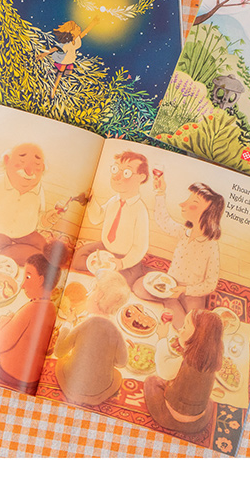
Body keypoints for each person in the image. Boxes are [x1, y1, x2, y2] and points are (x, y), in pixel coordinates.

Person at [137, 175, 224, 329]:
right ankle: (170, 302)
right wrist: (160, 193)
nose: (182, 204)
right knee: (138, 287)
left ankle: (171, 305)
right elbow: (164, 221)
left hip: (192, 294)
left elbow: (210, 284)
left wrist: (185, 290)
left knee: (189, 325)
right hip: (170, 284)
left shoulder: (211, 246)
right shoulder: (183, 232)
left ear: (208, 213)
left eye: (193, 203)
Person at [0, 142, 58, 264]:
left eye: (37, 165)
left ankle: (7, 251)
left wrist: (46, 219)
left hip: (23, 235)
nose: (29, 171)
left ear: (42, 168)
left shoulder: (39, 191)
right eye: (22, 162)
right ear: (7, 160)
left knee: (43, 247)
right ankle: (6, 249)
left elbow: (39, 218)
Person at [72, 150, 150, 285]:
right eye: (115, 169)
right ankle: (105, 272)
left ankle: (108, 274)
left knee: (124, 280)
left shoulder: (140, 210)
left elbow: (140, 247)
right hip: (105, 249)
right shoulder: (113, 201)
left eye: (126, 173)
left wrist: (123, 263)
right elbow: (96, 218)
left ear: (141, 177)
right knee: (78, 258)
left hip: (125, 257)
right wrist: (91, 200)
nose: (117, 177)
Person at [53, 270, 129, 406]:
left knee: (62, 360)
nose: (88, 295)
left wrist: (68, 323)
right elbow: (121, 363)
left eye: (93, 290)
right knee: (117, 375)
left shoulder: (85, 325)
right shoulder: (116, 332)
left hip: (71, 386)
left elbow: (59, 351)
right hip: (100, 390)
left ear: (98, 297)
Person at [0, 251, 61, 393]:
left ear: (40, 280)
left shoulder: (31, 309)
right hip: (32, 376)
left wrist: (1, 322)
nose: (22, 285)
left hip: (13, 375)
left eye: (28, 277)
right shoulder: (51, 308)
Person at [143, 309, 224, 435]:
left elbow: (163, 370)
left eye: (185, 327)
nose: (180, 330)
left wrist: (162, 338)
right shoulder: (211, 360)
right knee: (209, 400)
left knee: (151, 381)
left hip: (170, 418)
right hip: (197, 422)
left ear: (197, 337)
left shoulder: (184, 362)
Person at [37, 12, 102, 96]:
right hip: (63, 60)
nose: (79, 27)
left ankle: (52, 71)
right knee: (60, 74)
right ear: (71, 32)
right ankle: (53, 90)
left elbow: (85, 32)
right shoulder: (66, 44)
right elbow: (54, 49)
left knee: (68, 72)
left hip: (69, 59)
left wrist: (93, 23)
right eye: (76, 27)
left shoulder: (77, 39)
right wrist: (43, 54)